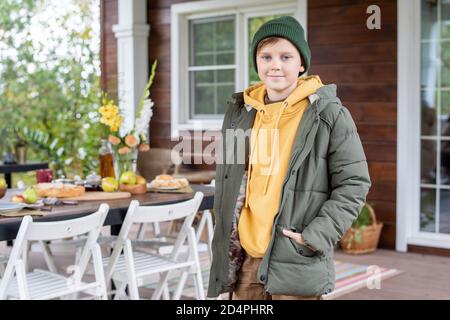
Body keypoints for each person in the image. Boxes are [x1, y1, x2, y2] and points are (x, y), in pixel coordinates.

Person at [207, 16, 371, 300]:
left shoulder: (329, 115)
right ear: (257, 62)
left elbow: (354, 183)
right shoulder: (239, 112)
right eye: (266, 56)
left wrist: (314, 236)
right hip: (247, 258)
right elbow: (230, 181)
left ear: (302, 64)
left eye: (286, 56)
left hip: (296, 256)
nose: (275, 65)